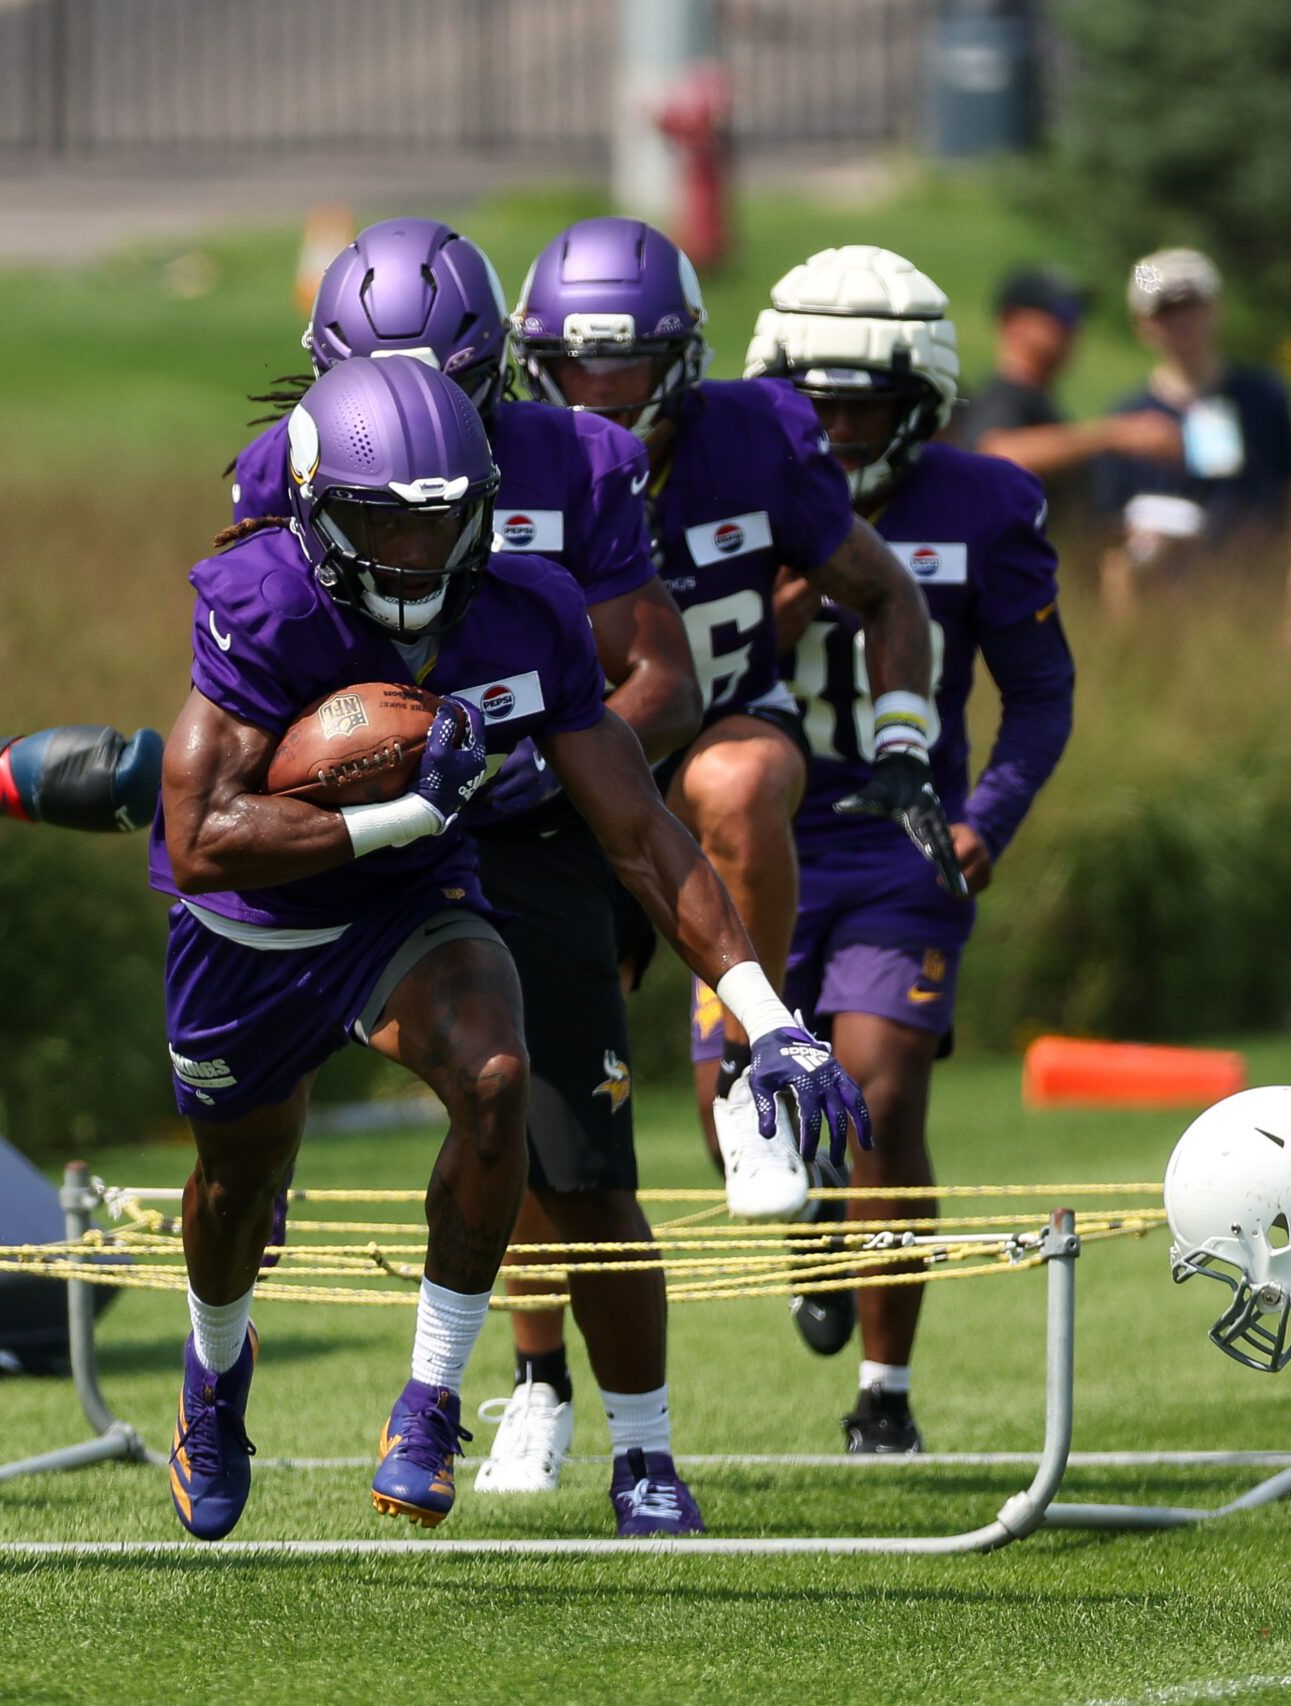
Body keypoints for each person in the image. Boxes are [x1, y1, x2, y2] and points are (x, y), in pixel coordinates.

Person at [144, 357, 867, 1542]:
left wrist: (768, 1015)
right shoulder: (261, 599)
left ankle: (430, 1397)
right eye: (385, 522)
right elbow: (205, 834)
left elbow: (639, 831)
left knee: (497, 1080)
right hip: (253, 925)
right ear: (320, 512)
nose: (417, 554)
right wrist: (395, 812)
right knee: (235, 1188)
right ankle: (215, 1378)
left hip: (415, 902)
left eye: (443, 522)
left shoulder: (531, 609)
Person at [226, 219, 708, 1525]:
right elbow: (258, 683)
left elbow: (658, 675)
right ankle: (251, 1314)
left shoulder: (581, 462)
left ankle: (642, 1446)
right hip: (365, 825)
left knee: (576, 1152)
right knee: (247, 1084)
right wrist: (350, 779)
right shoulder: (272, 470)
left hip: (528, 826)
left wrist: (541, 762)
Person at [512, 216, 960, 1213]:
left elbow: (887, 589)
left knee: (741, 779)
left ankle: (755, 1062)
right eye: (575, 369)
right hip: (555, 767)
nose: (597, 392)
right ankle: (534, 1370)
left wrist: (902, 740)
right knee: (525, 1088)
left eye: (625, 369)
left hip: (718, 719)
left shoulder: (751, 439)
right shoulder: (510, 462)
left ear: (679, 360)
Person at [740, 246, 1074, 1451]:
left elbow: (1038, 692)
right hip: (748, 839)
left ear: (919, 401)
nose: (832, 427)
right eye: (812, 402)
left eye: (861, 404)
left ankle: (883, 1388)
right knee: (744, 1102)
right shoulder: (729, 494)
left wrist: (989, 814)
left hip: (898, 842)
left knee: (880, 1082)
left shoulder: (979, 504)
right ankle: (809, 1237)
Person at [1087, 248, 1291, 634]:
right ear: (1142, 325)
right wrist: (1125, 635)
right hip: (1162, 623)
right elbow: (1113, 552)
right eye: (1165, 312)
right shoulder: (1126, 421)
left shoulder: (1267, 400)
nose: (1181, 323)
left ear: (1216, 309)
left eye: (1191, 306)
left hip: (1257, 612)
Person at [946, 264, 1182, 498]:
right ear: (1016, 321)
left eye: (1079, 314)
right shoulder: (1003, 396)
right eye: (1063, 312)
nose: (1073, 327)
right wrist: (1114, 434)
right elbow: (997, 454)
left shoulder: (1039, 400)